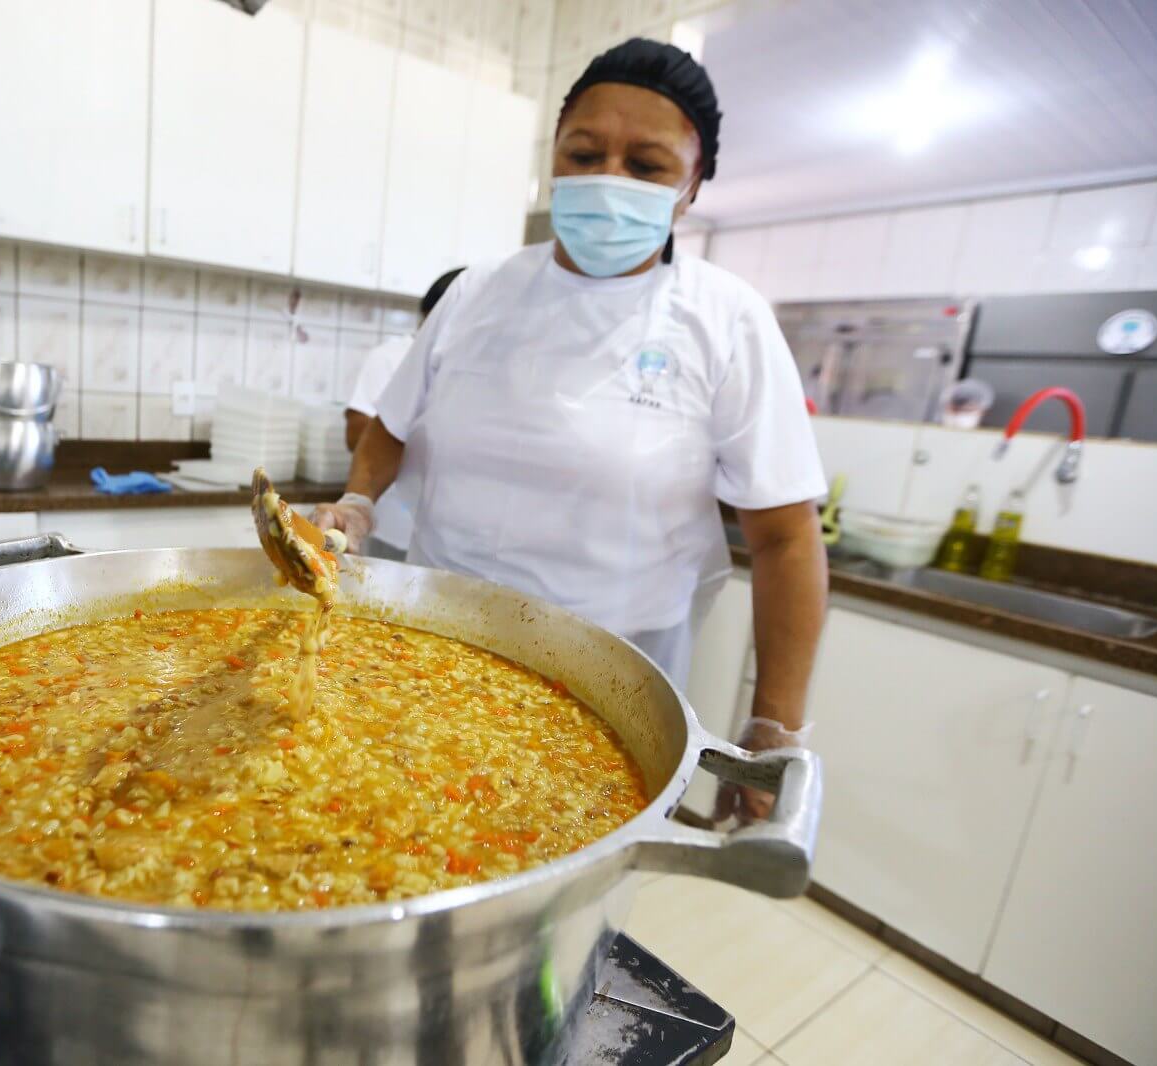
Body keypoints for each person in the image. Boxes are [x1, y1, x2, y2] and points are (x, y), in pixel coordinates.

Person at [312, 38, 828, 823]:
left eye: (646, 165)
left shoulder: (728, 322)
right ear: (554, 157)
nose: (605, 180)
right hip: (431, 651)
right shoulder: (481, 291)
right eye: (583, 153)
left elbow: (788, 540)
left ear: (692, 187)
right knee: (399, 838)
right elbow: (389, 428)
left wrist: (772, 732)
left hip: (610, 686)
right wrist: (357, 500)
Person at [344, 268, 464, 560]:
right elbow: (356, 430)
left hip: (448, 536)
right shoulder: (392, 356)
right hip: (391, 524)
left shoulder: (474, 363)